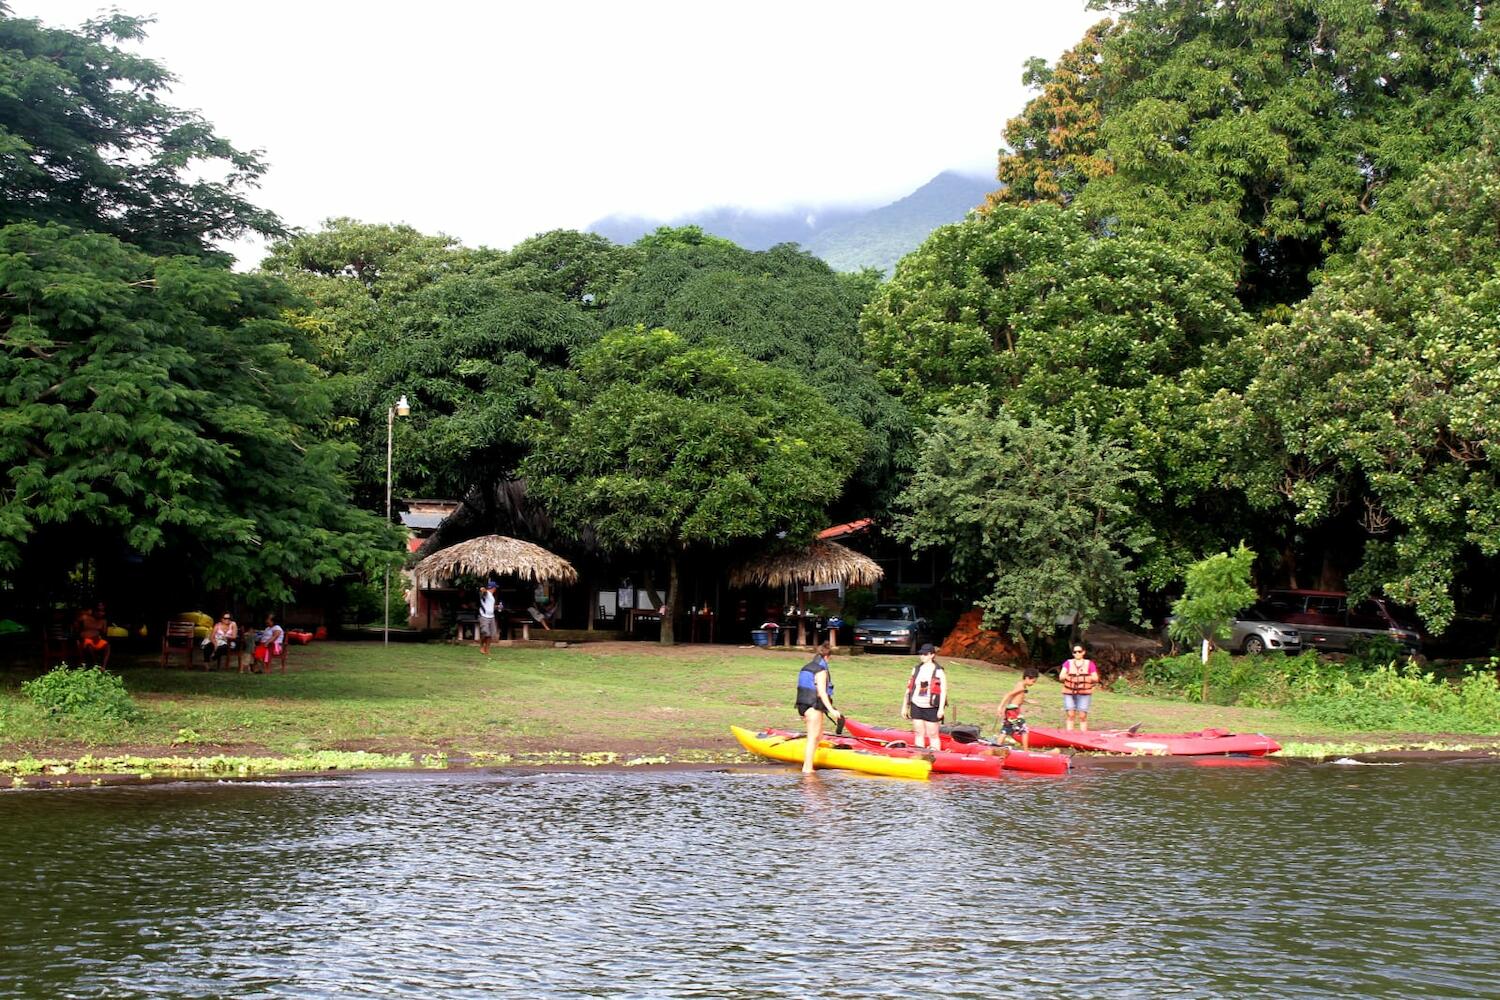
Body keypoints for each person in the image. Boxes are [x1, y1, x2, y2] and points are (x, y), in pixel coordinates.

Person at [794, 642, 841, 774]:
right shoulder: (821, 671)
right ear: (827, 657)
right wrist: (832, 710)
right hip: (813, 706)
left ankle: (810, 763)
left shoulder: (806, 667)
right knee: (813, 737)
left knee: (818, 735)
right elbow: (821, 692)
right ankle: (807, 768)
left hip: (803, 705)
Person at [902, 642, 947, 751]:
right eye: (921, 654)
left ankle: (936, 756)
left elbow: (943, 691)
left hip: (931, 707)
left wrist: (941, 709)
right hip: (916, 704)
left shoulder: (939, 671)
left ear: (932, 655)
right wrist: (904, 706)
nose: (922, 656)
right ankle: (919, 754)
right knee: (919, 733)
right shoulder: (916, 669)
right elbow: (909, 689)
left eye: (925, 654)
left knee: (933, 734)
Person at [996, 667, 1040, 750]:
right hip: (1013, 711)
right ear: (1027, 678)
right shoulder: (1021, 687)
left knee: (1006, 729)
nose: (1033, 683)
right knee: (1024, 730)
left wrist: (1029, 701)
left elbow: (1017, 699)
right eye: (1033, 681)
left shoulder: (1021, 685)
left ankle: (996, 747)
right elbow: (1008, 695)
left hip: (1011, 710)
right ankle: (1026, 752)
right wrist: (1000, 707)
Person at [1060, 643, 1100, 731]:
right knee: (1070, 714)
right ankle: (1069, 734)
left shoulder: (1089, 664)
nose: (1077, 653)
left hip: (1084, 693)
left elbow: (1095, 678)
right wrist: (1070, 676)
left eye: (1079, 651)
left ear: (1083, 652)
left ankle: (1083, 735)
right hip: (1069, 692)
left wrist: (1083, 678)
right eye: (1075, 652)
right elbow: (1061, 676)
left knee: (1082, 715)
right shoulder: (1068, 663)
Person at [74, 602, 110, 668]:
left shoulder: (103, 621)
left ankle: (103, 667)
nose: (101, 613)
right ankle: (95, 663)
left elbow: (104, 632)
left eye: (103, 612)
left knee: (107, 645)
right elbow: (76, 624)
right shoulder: (85, 617)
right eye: (99, 611)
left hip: (97, 639)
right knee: (89, 645)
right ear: (94, 611)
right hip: (86, 639)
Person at [478, 581, 500, 654]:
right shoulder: (487, 594)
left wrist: (497, 607)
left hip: (491, 617)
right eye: (495, 587)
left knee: (490, 634)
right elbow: (483, 591)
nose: (496, 589)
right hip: (484, 616)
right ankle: (481, 646)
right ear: (494, 588)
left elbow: (490, 606)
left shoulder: (491, 596)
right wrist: (483, 589)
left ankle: (487, 649)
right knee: (485, 633)